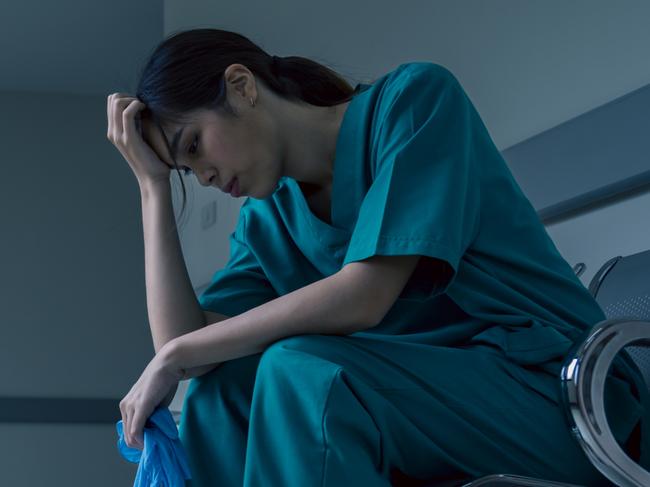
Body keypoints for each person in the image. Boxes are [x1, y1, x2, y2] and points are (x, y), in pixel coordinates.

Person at [107, 28, 648, 486]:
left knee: (301, 371)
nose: (201, 177)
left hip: (557, 400)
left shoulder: (413, 102)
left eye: (194, 146)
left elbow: (364, 294)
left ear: (242, 86)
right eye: (184, 169)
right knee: (218, 391)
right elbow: (193, 352)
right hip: (423, 412)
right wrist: (152, 190)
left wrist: (174, 357)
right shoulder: (267, 218)